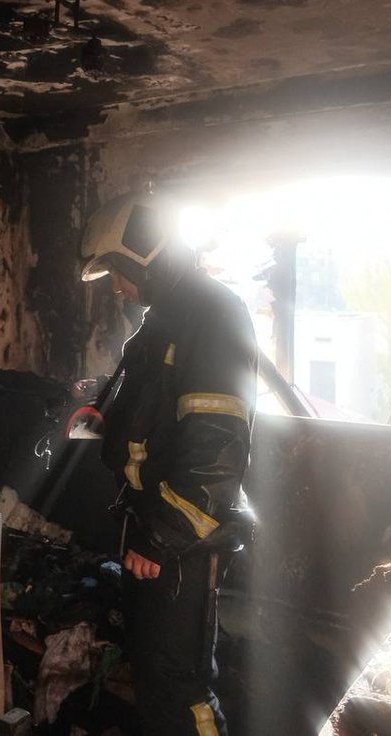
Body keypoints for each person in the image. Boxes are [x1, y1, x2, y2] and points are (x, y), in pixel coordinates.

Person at [79, 189, 258, 736]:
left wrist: (161, 537)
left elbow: (216, 444)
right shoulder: (168, 318)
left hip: (177, 540)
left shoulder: (211, 313)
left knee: (178, 687)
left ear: (144, 252)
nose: (116, 285)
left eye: (116, 269)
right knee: (156, 677)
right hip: (153, 529)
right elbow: (155, 412)